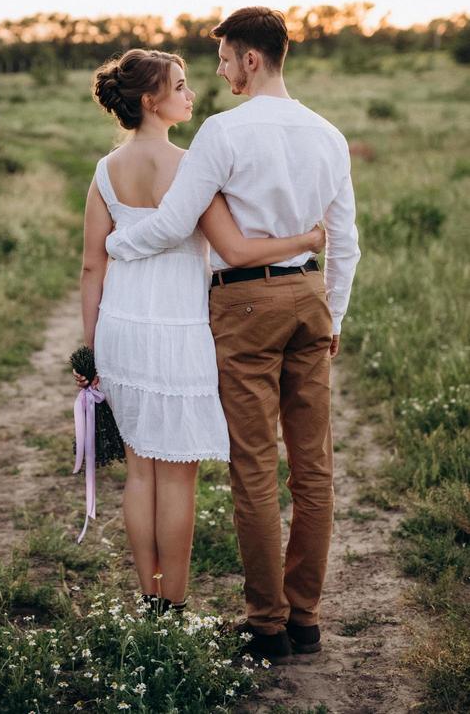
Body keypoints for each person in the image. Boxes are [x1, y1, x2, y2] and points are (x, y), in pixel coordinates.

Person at [105, 9, 361, 660]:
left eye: (224, 58)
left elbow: (171, 225)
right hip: (309, 298)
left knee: (254, 468)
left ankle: (267, 624)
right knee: (314, 469)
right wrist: (334, 313)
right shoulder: (328, 135)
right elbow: (346, 243)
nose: (218, 71)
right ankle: (306, 617)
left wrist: (118, 241)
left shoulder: (222, 134)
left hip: (245, 307)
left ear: (251, 59)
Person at [78, 46, 326, 617]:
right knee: (178, 477)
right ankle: (175, 605)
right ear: (151, 101)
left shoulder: (104, 172)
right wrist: (305, 242)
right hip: (180, 330)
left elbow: (93, 266)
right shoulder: (192, 168)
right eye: (181, 85)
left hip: (121, 327)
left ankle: (150, 601)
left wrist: (89, 348)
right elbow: (235, 249)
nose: (191, 94)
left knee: (140, 472)